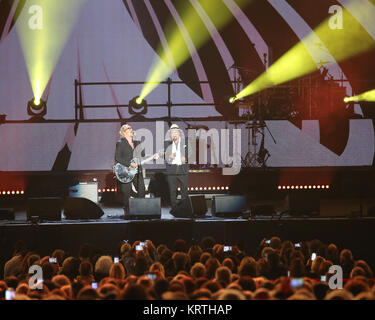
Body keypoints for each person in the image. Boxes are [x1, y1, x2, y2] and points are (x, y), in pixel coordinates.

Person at [115, 124, 150, 218]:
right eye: (128, 129)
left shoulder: (137, 142)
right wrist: (130, 164)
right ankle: (127, 211)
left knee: (141, 189)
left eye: (131, 128)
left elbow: (143, 155)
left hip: (137, 171)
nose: (131, 130)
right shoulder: (120, 143)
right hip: (126, 171)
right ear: (124, 132)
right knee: (126, 192)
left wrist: (154, 157)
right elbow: (118, 158)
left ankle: (141, 209)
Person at [164, 124, 190, 214]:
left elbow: (191, 154)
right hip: (172, 171)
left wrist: (186, 159)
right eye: (172, 133)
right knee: (172, 191)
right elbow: (164, 155)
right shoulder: (167, 143)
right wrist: (169, 156)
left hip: (183, 170)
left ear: (179, 133)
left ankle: (184, 208)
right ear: (170, 134)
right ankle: (174, 209)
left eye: (176, 132)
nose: (174, 134)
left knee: (184, 191)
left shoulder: (185, 142)